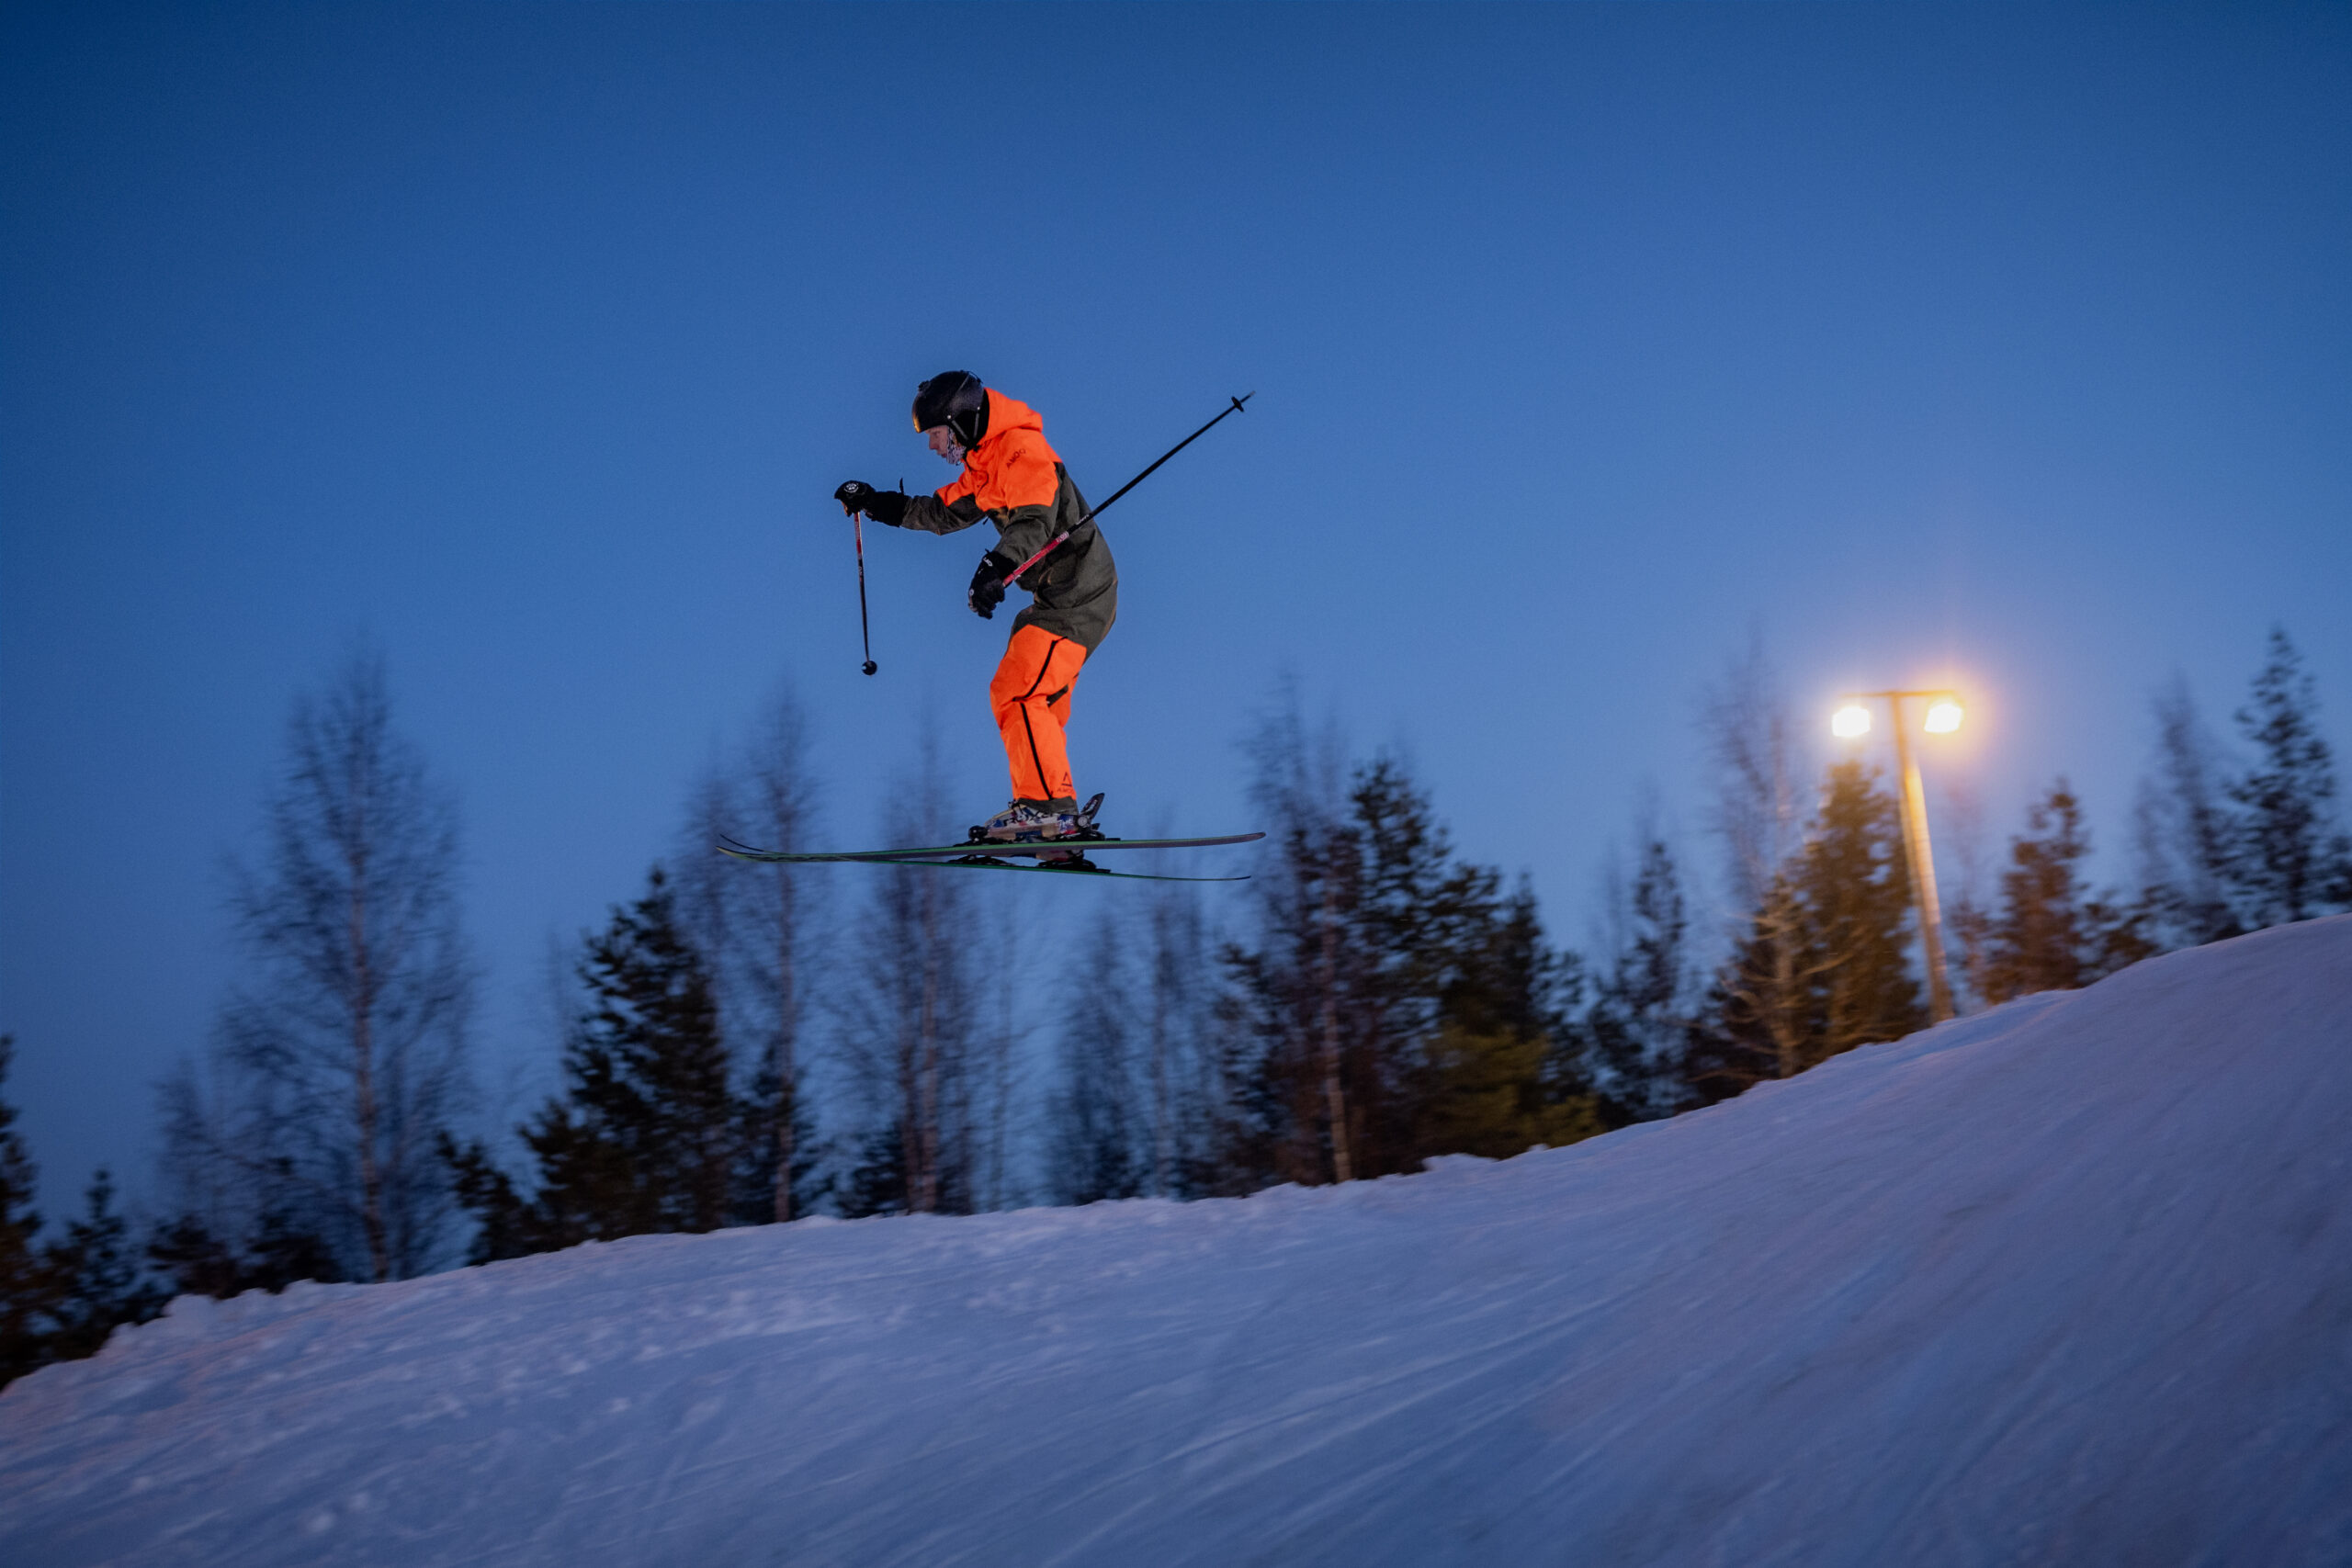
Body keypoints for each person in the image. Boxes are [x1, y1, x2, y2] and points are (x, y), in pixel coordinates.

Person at [836, 371, 1117, 844]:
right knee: (1035, 703)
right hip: (1059, 597)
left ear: (959, 421)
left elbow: (1033, 520)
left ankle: (1044, 809)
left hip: (1077, 595)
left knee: (1016, 691)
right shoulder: (986, 462)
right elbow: (943, 512)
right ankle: (1057, 821)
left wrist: (996, 566)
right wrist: (875, 502)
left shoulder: (1023, 451)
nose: (932, 446)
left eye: (935, 434)